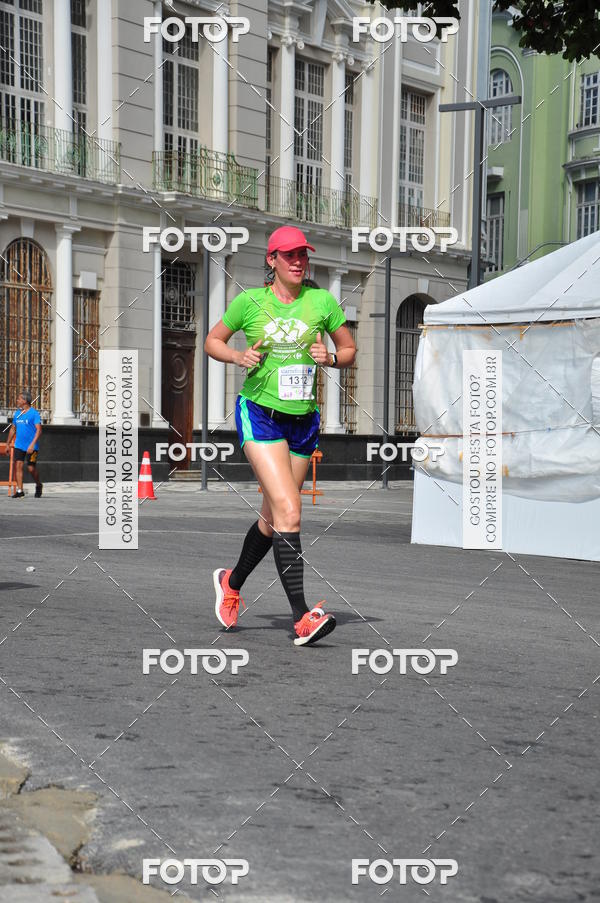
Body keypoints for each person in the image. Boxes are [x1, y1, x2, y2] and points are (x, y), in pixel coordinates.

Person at [205, 225, 356, 646]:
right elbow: (212, 341)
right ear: (271, 260)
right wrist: (238, 354)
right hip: (261, 415)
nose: (298, 262)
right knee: (290, 510)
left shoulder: (321, 302)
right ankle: (302, 617)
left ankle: (231, 582)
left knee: (273, 519)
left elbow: (348, 349)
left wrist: (332, 358)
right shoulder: (250, 302)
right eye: (289, 255)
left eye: (303, 255)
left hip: (303, 420)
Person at [5, 391, 43, 498]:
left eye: (19, 399)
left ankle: (39, 484)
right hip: (19, 445)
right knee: (18, 465)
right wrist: (8, 444)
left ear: (25, 401)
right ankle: (20, 490)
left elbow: (39, 430)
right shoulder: (17, 413)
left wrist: (32, 444)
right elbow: (13, 429)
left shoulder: (34, 414)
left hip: (32, 446)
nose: (17, 400)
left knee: (31, 468)